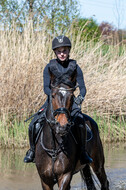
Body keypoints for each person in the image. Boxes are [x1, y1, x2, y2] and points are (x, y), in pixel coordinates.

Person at [24, 35, 93, 164]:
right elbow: (45, 88)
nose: (62, 54)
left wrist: (79, 99)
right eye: (59, 51)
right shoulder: (49, 67)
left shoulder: (75, 67)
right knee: (34, 124)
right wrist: (54, 97)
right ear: (55, 52)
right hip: (53, 101)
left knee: (81, 122)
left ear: (69, 51)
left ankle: (83, 152)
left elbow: (83, 88)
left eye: (64, 51)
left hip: (70, 102)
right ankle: (32, 151)